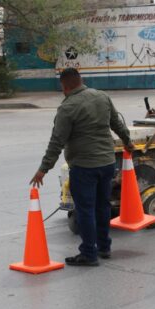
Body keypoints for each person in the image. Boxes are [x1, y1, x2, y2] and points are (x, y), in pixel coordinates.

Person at [30, 68, 134, 267]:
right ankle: (104, 247)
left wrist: (43, 169)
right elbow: (117, 124)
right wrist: (128, 142)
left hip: (84, 166)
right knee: (103, 206)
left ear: (64, 86)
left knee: (85, 210)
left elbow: (57, 142)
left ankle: (88, 253)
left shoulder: (68, 107)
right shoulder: (102, 97)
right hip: (107, 163)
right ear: (81, 80)